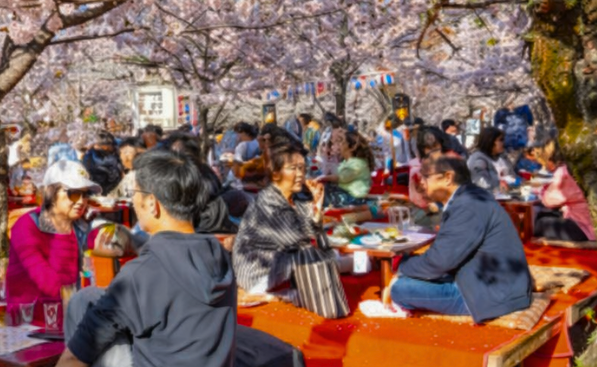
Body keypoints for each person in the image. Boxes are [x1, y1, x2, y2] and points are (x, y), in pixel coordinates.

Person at [57, 149, 238, 367]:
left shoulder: (141, 275)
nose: (132, 200)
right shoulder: (219, 256)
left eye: (134, 192)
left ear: (152, 203)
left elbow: (74, 358)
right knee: (87, 298)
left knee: (83, 305)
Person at [384, 156, 532, 321]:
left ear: (448, 178)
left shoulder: (468, 205)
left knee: (399, 288)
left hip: (488, 296)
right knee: (411, 275)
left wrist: (402, 267)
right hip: (491, 284)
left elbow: (439, 262)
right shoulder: (470, 197)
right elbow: (443, 257)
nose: (422, 183)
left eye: (426, 177)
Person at [232, 125, 349, 318]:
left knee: (325, 256)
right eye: (293, 169)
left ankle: (301, 293)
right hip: (256, 274)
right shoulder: (269, 202)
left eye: (302, 168)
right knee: (315, 256)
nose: (300, 175)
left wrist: (316, 208)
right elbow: (303, 241)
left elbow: (312, 233)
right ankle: (292, 296)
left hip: (274, 266)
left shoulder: (290, 198)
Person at [7, 160, 134, 325]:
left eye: (85, 194)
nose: (81, 201)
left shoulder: (79, 227)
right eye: (73, 193)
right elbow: (45, 279)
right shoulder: (27, 225)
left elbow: (112, 242)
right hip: (28, 325)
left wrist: (130, 243)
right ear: (50, 193)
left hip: (66, 320)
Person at [528, 137, 595, 242]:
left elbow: (549, 201)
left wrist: (542, 190)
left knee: (539, 223)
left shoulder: (564, 172)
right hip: (591, 223)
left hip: (581, 227)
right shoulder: (581, 168)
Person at [315, 130, 374, 207]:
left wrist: (324, 178)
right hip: (347, 195)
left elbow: (341, 177)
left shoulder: (358, 163)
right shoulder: (346, 162)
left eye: (342, 142)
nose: (340, 145)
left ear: (351, 147)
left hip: (355, 199)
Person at [467, 127, 509, 194]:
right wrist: (498, 186)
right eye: (501, 140)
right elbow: (480, 181)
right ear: (490, 141)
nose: (503, 143)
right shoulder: (479, 159)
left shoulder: (497, 157)